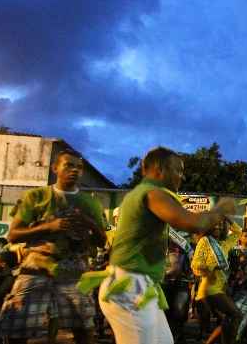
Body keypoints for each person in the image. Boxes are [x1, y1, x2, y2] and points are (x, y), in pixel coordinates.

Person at [82, 146, 235, 344]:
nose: (182, 177)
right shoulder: (152, 193)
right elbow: (194, 224)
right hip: (129, 288)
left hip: (141, 288)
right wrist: (221, 208)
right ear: (159, 170)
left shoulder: (144, 194)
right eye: (178, 170)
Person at [0, 150, 106, 344]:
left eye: (79, 167)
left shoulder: (91, 203)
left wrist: (88, 222)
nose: (74, 170)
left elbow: (101, 241)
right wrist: (49, 226)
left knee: (84, 330)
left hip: (74, 274)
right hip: (35, 271)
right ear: (55, 168)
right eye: (69, 165)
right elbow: (13, 235)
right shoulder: (36, 196)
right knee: (18, 330)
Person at [193, 219, 243, 344]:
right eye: (215, 223)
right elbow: (195, 264)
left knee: (227, 320)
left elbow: (238, 232)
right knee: (235, 315)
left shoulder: (225, 243)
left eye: (221, 224)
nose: (218, 227)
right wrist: (212, 267)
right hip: (209, 288)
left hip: (221, 288)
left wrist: (228, 218)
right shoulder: (205, 241)